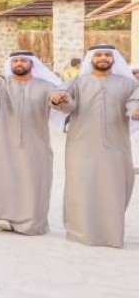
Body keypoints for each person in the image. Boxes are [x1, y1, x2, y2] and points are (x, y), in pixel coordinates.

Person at [51, 44, 139, 248]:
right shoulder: (77, 81)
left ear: (114, 59)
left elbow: (133, 103)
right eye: (98, 55)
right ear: (91, 58)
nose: (103, 58)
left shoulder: (129, 84)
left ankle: (110, 234)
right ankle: (80, 232)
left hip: (116, 146)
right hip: (81, 146)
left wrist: (135, 110)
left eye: (107, 55)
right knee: (81, 187)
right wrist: (58, 99)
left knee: (114, 188)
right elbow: (65, 101)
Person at [0, 51, 61, 234]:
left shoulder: (47, 86)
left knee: (33, 180)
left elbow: (59, 104)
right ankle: (1, 218)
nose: (19, 63)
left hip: (36, 143)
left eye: (23, 60)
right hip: (5, 141)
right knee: (4, 177)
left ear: (32, 64)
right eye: (16, 61)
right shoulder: (0, 84)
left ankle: (32, 222)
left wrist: (57, 100)